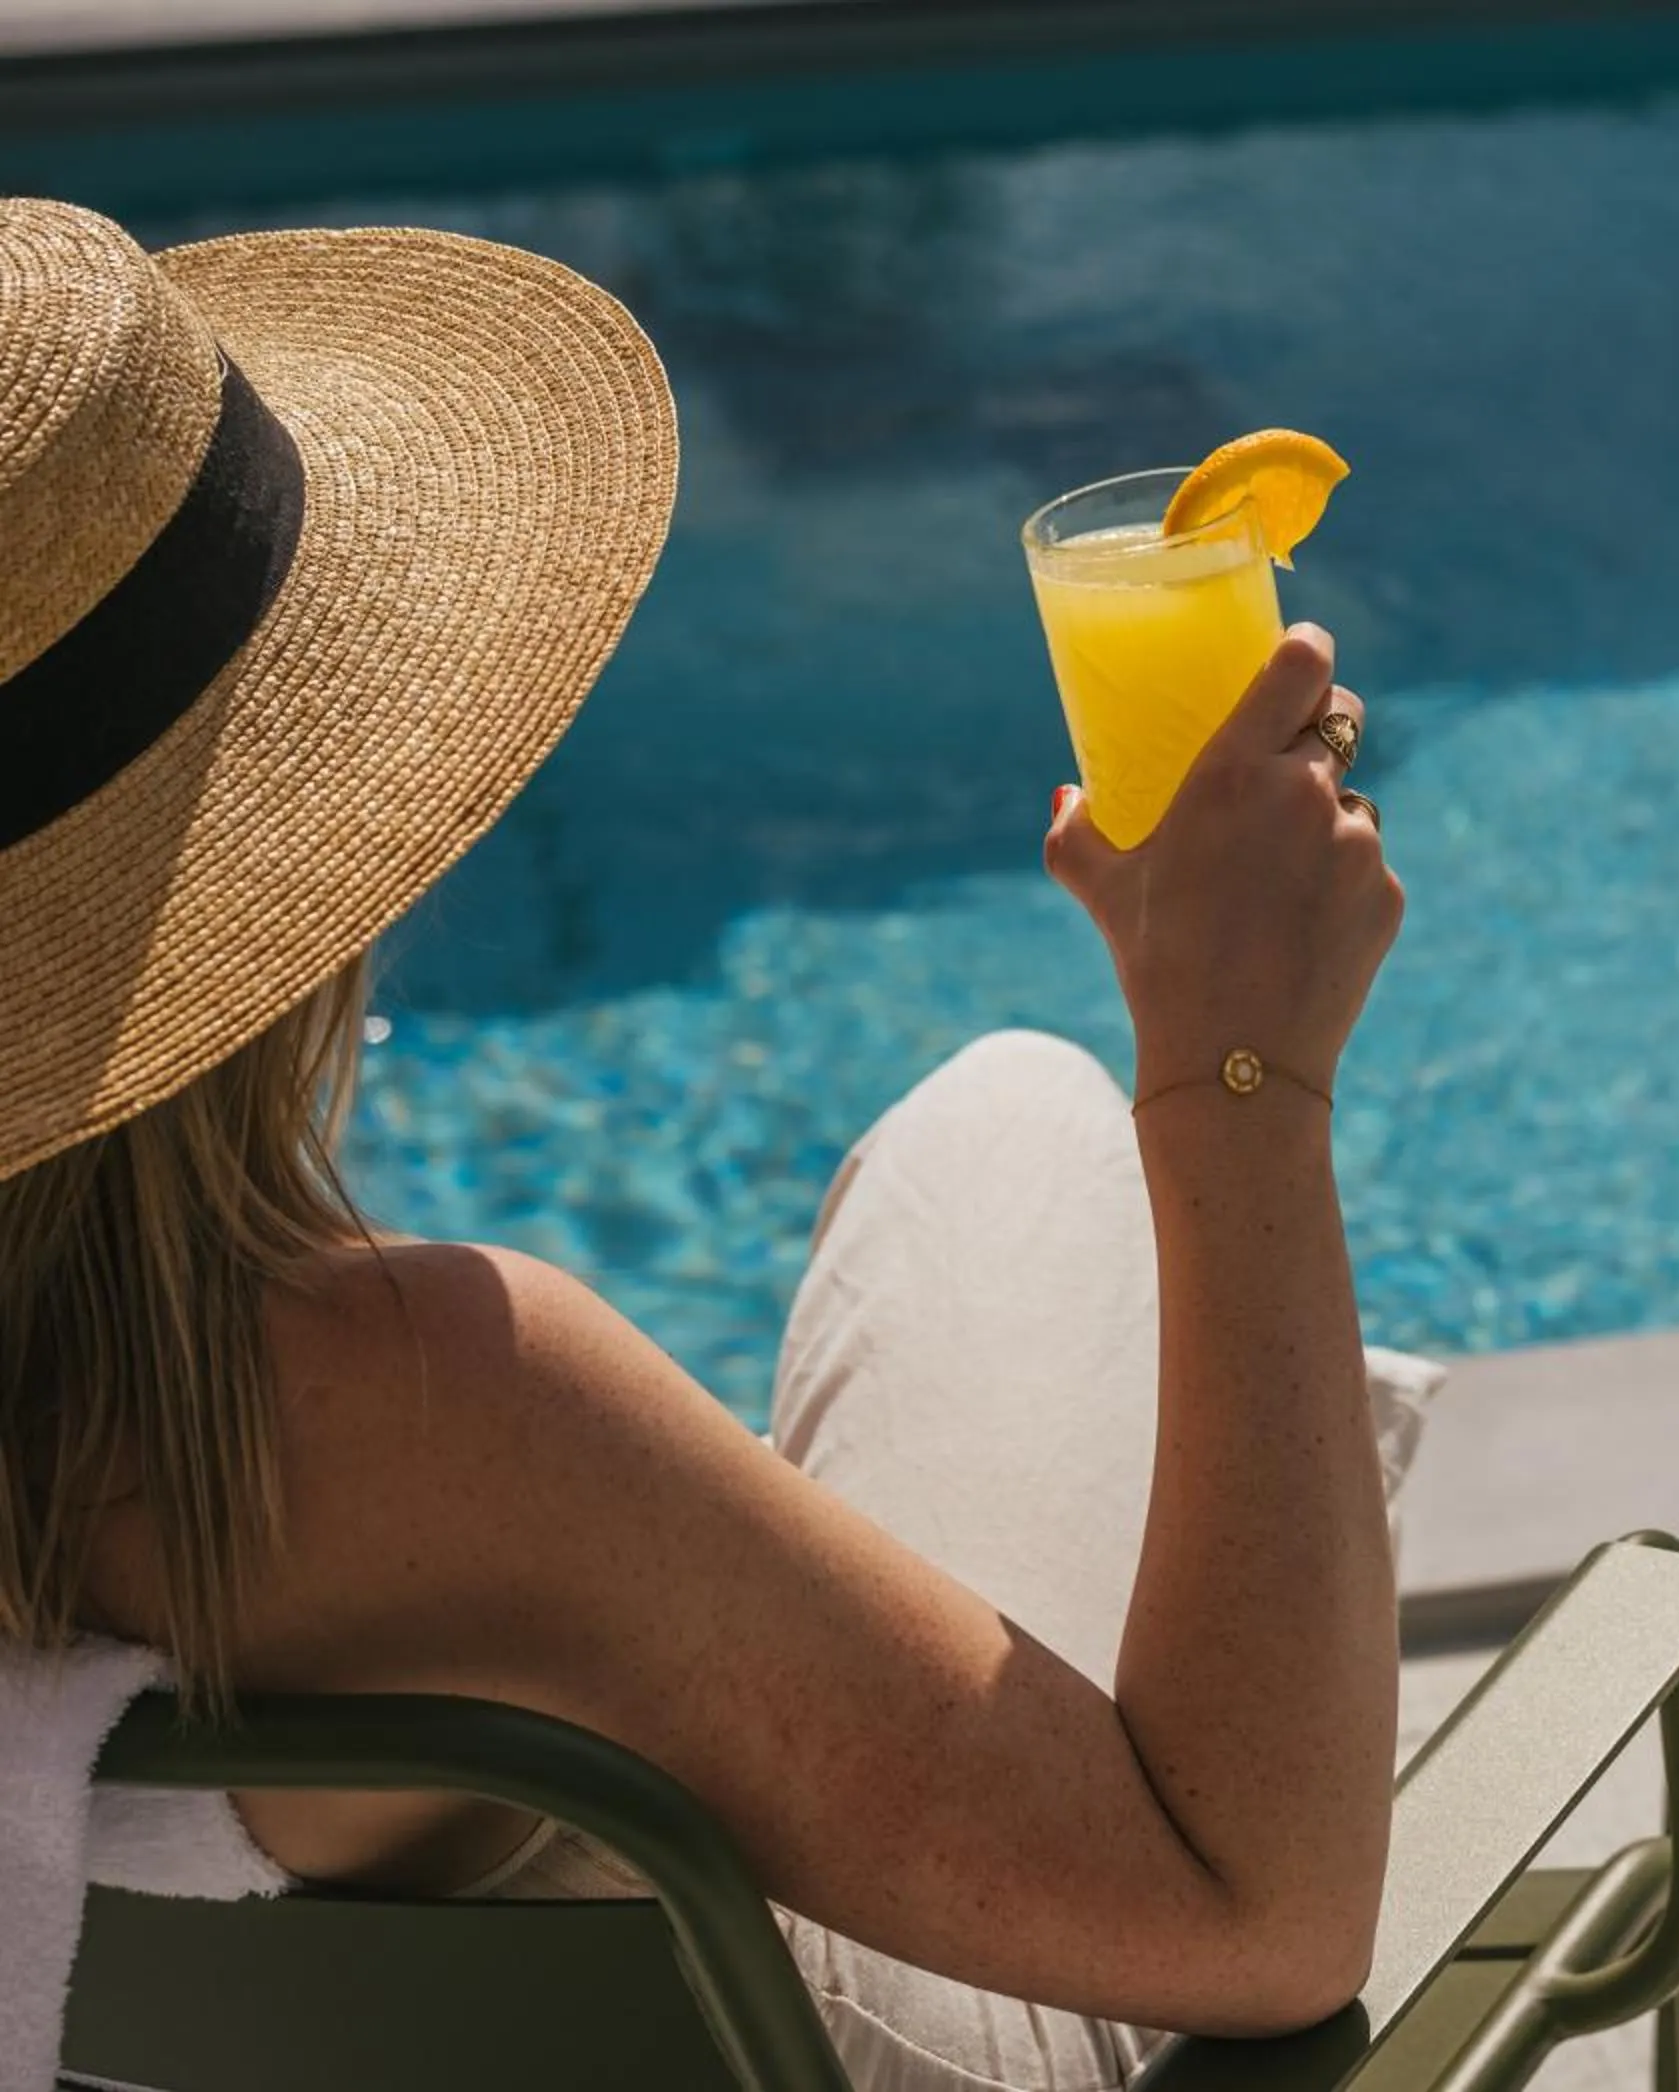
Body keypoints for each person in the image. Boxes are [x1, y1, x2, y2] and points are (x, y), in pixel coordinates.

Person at [0, 197, 1427, 2091]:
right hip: (835, 2051)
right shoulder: (410, 1410)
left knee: (988, 1135)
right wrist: (1243, 1079)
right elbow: (1261, 1925)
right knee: (1026, 1115)